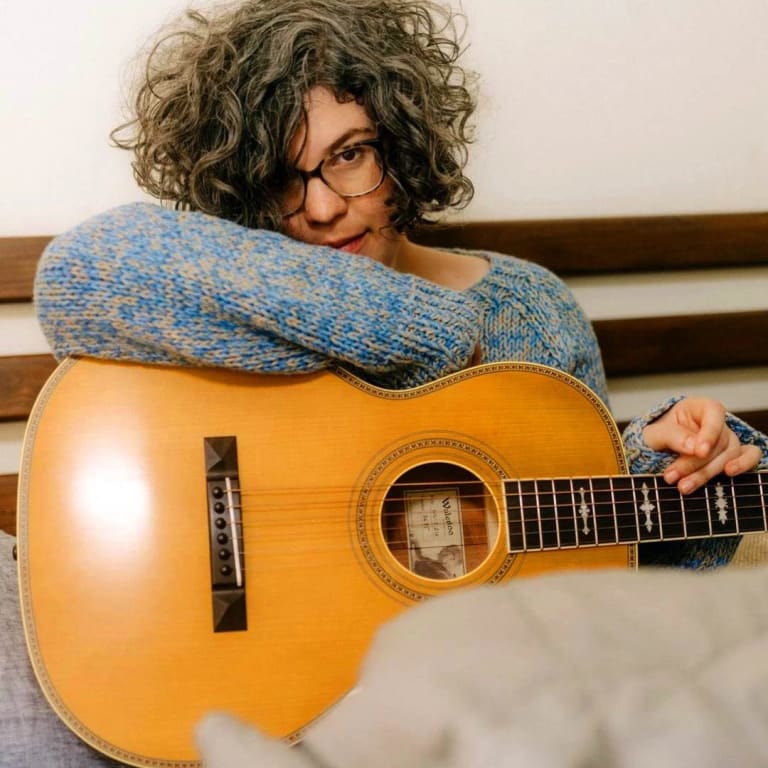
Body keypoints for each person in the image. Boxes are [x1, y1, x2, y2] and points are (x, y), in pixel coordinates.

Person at [5, 0, 767, 765]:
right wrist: (430, 333)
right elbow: (81, 273)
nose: (325, 206)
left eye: (349, 154)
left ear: (401, 143)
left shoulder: (532, 310)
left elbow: (587, 568)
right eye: (280, 176)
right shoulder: (237, 294)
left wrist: (671, 459)